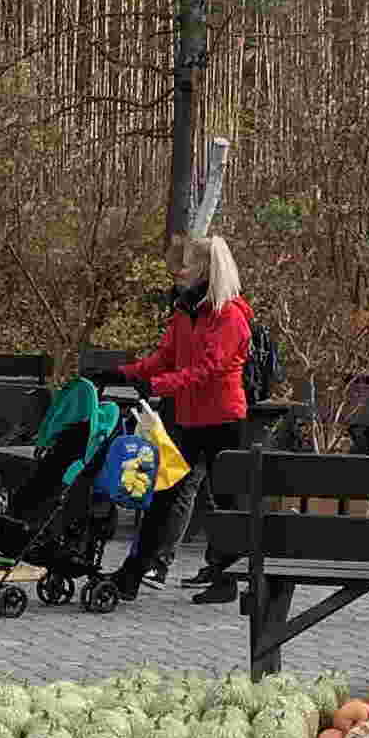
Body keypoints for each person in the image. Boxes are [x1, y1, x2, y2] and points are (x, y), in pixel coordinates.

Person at [114, 233, 252, 603]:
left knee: (222, 503)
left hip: (223, 420)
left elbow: (209, 369)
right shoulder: (185, 311)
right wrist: (127, 373)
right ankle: (133, 572)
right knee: (163, 494)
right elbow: (165, 356)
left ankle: (225, 579)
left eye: (185, 265)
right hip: (189, 418)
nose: (177, 271)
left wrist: (158, 384)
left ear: (206, 270)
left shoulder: (230, 317)